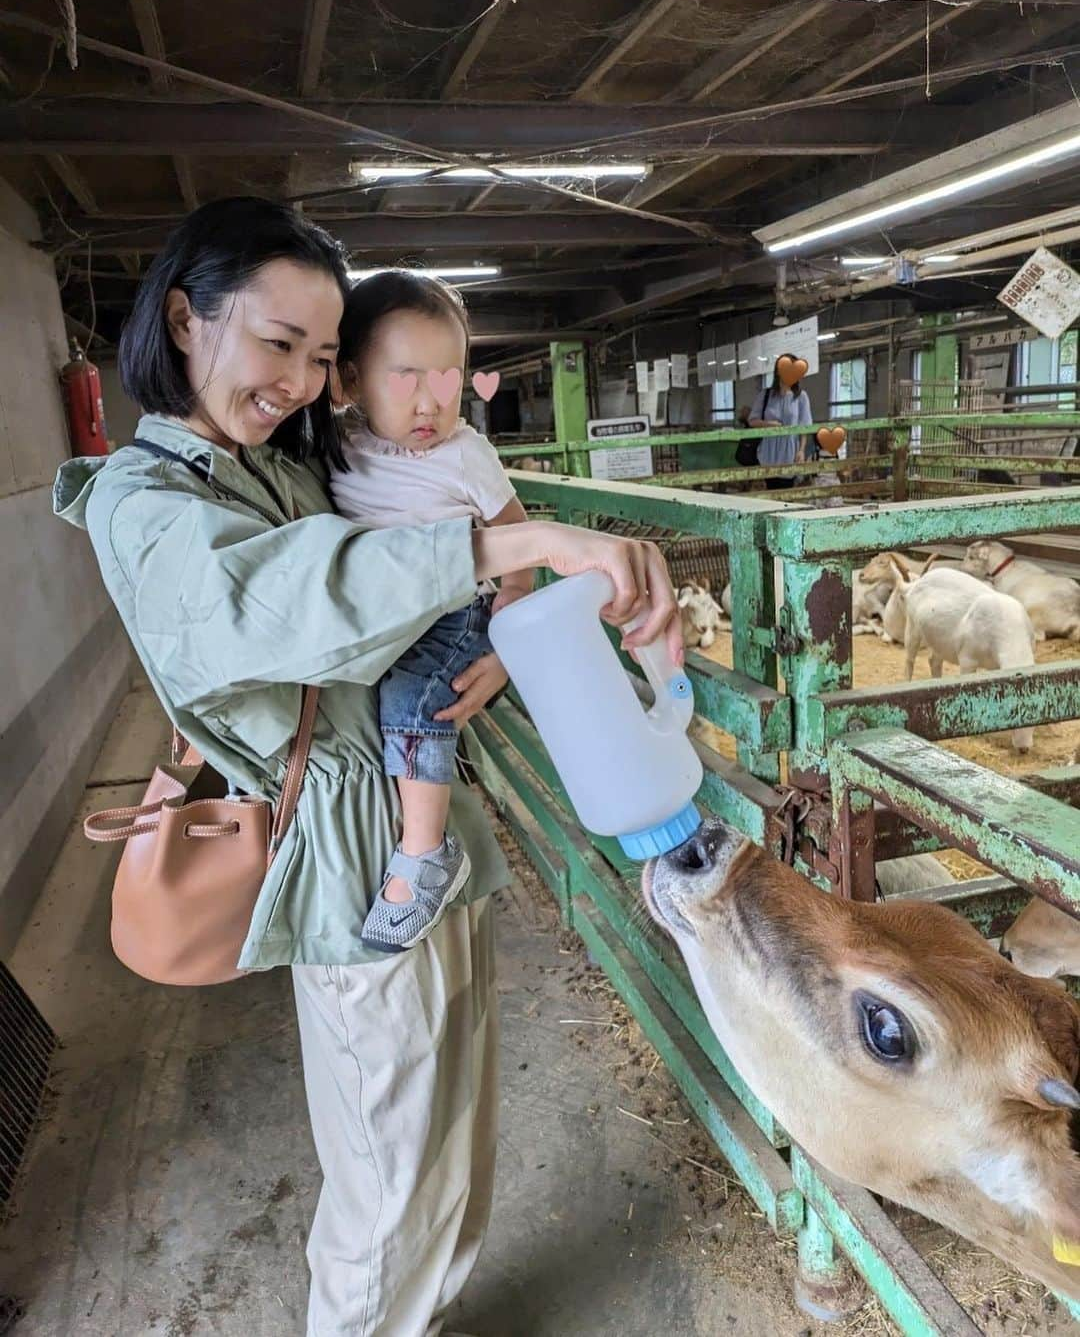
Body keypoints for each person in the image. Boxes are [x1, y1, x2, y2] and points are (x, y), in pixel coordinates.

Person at [52, 197, 680, 1337]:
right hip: (350, 868)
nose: (298, 379)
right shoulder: (144, 503)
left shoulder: (278, 467)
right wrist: (530, 542)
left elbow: (406, 570)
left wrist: (501, 624)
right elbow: (307, 594)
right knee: (388, 1171)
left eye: (322, 356)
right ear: (186, 320)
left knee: (452, 1127)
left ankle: (422, 1321)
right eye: (277, 343)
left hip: (425, 829)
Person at [329, 270, 532, 954]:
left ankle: (424, 852)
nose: (430, 401)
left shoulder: (465, 455)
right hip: (386, 610)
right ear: (351, 381)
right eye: (406, 376)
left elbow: (514, 529)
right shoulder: (338, 443)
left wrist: (514, 608)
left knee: (417, 701)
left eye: (447, 379)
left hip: (454, 610)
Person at [747, 354, 814, 490]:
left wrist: (801, 450)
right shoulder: (765, 395)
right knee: (770, 489)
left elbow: (804, 427)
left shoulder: (801, 397)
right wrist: (769, 424)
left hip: (789, 450)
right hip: (768, 450)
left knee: (786, 490)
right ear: (778, 371)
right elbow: (752, 421)